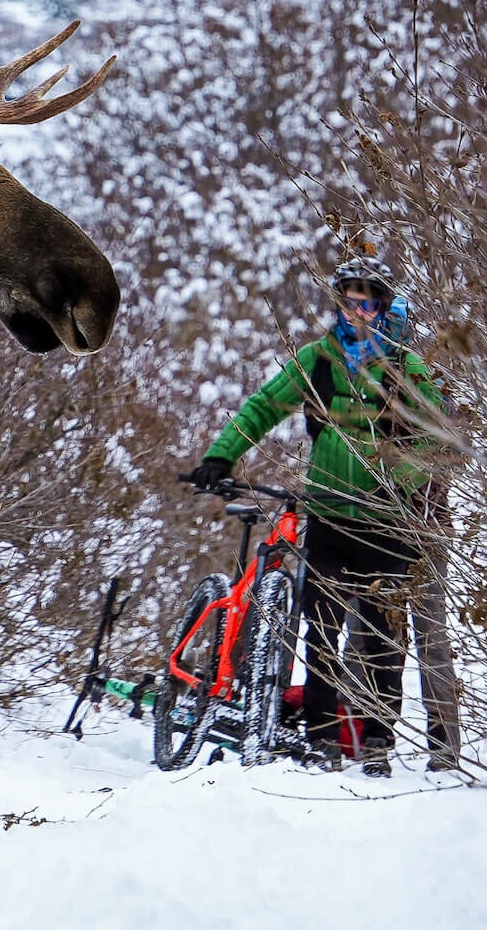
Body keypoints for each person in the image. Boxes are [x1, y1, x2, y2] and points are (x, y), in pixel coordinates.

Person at [184, 254, 461, 775]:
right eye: (350, 300)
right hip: (329, 516)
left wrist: (393, 478)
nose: (359, 309)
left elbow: (440, 438)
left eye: (370, 301)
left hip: (388, 522)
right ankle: (321, 739)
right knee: (321, 626)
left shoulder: (406, 367)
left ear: (383, 307)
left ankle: (377, 744)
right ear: (339, 304)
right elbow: (264, 406)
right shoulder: (317, 360)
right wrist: (221, 455)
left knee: (382, 637)